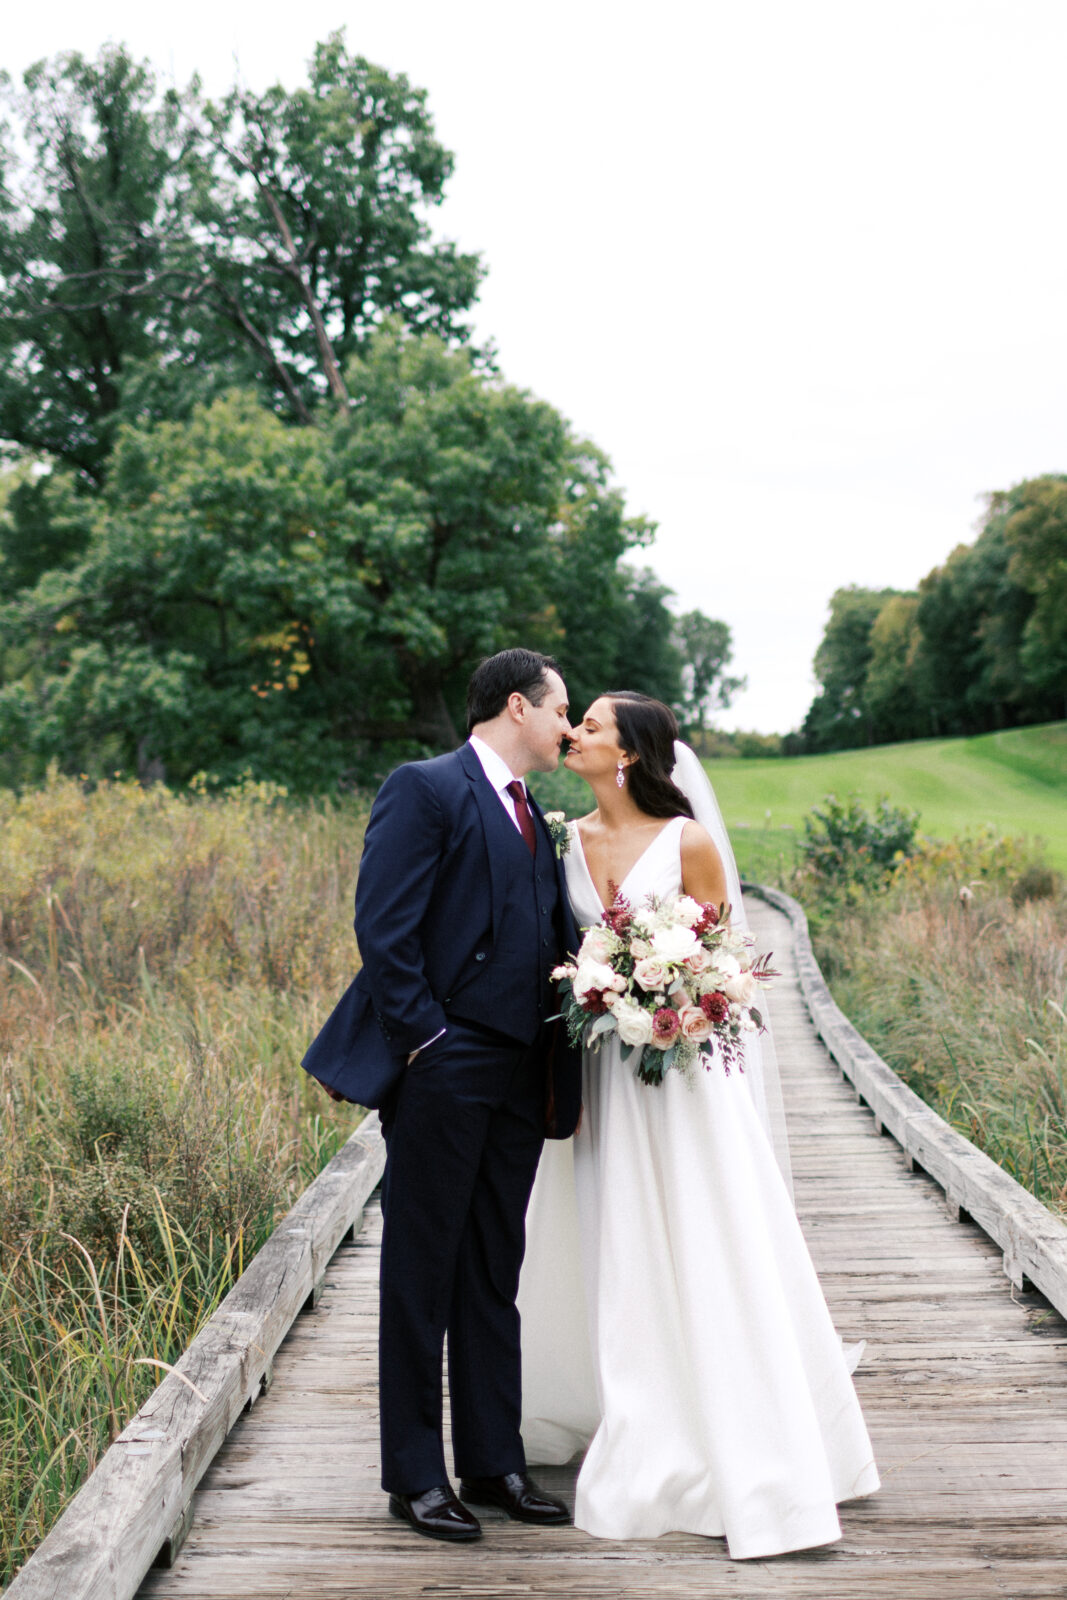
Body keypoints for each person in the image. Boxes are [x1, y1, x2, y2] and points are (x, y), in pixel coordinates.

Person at [518, 690, 880, 1559]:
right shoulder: (564, 840)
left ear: (630, 754)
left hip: (679, 1079)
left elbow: (726, 968)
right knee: (616, 1233)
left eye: (591, 726)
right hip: (604, 1075)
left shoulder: (687, 842)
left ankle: (739, 1427)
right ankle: (624, 1396)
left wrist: (667, 993)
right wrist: (602, 991)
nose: (574, 733)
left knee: (708, 1232)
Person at [303, 648, 582, 1542]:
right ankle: (415, 1476)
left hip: (521, 1071)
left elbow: (543, 932)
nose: (567, 727)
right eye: (559, 710)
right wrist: (427, 1038)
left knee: (495, 1269)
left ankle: (494, 1462)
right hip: (447, 1065)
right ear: (516, 706)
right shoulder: (424, 787)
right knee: (421, 1270)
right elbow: (383, 926)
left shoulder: (532, 811)